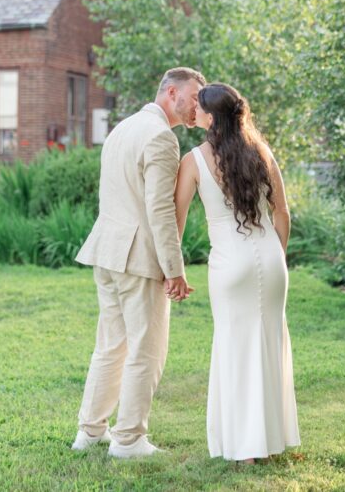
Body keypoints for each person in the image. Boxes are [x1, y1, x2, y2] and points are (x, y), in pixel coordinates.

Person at [72, 66, 206, 458]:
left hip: (108, 252)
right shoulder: (162, 138)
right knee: (146, 351)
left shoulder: (122, 128)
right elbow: (160, 210)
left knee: (110, 346)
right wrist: (174, 269)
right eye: (193, 98)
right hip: (137, 257)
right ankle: (129, 439)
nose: (197, 107)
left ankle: (90, 432)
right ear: (171, 92)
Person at [173, 82, 300, 463]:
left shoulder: (193, 161)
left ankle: (246, 449)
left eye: (199, 106)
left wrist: (172, 267)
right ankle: (270, 441)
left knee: (235, 348)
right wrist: (276, 253)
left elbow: (176, 220)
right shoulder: (261, 150)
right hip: (271, 260)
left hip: (231, 264)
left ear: (211, 118)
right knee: (268, 344)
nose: (194, 110)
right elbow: (282, 213)